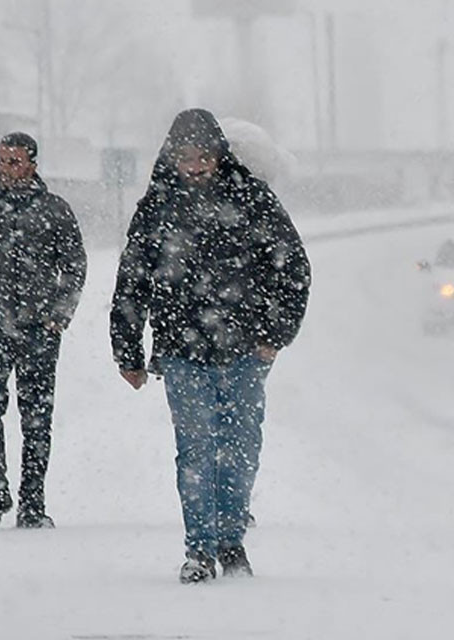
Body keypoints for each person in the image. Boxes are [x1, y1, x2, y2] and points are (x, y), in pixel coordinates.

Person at [110, 109, 310, 583]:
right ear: (172, 157)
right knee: (196, 450)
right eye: (187, 157)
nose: (196, 166)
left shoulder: (253, 200)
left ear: (220, 156)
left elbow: (293, 270)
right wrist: (127, 350)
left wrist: (273, 335)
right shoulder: (157, 207)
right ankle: (199, 549)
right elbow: (132, 279)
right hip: (183, 351)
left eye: (204, 157)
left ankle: (231, 540)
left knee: (240, 448)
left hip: (244, 350)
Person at [0, 132, 87, 530]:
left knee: (37, 417)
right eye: (1, 161)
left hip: (39, 329)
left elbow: (74, 265)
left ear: (32, 164)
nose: (5, 169)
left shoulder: (54, 211)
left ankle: (32, 502)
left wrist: (59, 315)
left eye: (14, 162)